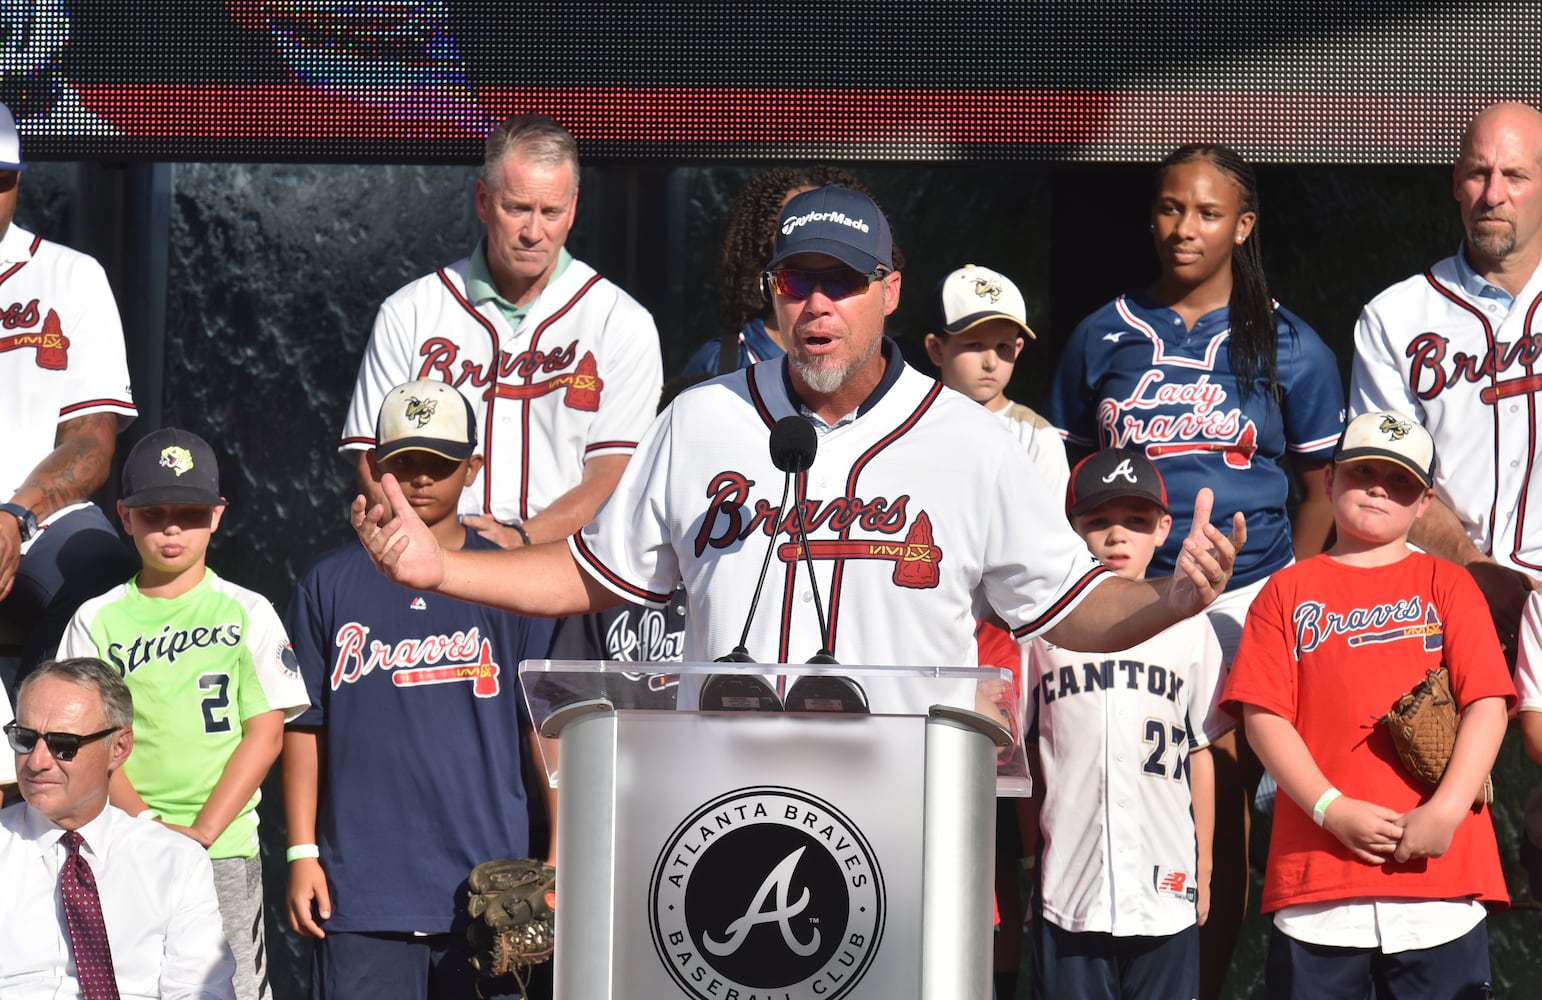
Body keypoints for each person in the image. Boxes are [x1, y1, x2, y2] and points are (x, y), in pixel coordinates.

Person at [353, 184, 1245, 698]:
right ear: (773, 291)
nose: (817, 303)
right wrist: (446, 567)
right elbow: (595, 574)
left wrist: (1170, 600)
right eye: (797, 279)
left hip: (898, 812)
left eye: (842, 281)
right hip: (718, 804)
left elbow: (1069, 604)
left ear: (890, 292)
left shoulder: (974, 445)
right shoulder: (700, 418)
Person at [1046, 143, 1345, 998]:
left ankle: (1203, 984)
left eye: (1209, 213)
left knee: (1218, 783)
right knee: (1113, 774)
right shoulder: (1101, 333)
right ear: (1151, 214)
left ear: (1243, 226)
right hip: (1129, 586)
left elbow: (1322, 487)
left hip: (1245, 592)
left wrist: (1294, 589)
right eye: (1172, 208)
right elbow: (1066, 477)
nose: (1186, 228)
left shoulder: (1291, 345)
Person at [1222, 411, 1512, 1000]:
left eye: (1400, 480)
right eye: (1363, 472)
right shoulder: (1286, 590)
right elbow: (1263, 716)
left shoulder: (1450, 583)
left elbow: (1488, 703)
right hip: (1318, 881)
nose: (1380, 486)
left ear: (1425, 502)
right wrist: (1330, 808)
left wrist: (1446, 811)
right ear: (1327, 481)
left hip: (1441, 879)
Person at [284, 379, 556, 1000]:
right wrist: (301, 850)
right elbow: (303, 723)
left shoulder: (511, 581)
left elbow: (546, 729)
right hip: (361, 893)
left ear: (473, 467)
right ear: (374, 466)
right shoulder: (328, 582)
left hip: (492, 894)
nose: (421, 480)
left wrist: (559, 857)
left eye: (440, 463)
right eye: (404, 464)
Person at [57, 428, 310, 1000]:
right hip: (123, 844)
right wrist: (148, 827)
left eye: (190, 512)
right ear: (124, 516)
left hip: (221, 848)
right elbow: (83, 742)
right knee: (130, 985)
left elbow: (267, 732)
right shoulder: (95, 619)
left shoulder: (250, 610)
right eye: (153, 512)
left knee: (233, 989)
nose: (171, 527)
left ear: (217, 515)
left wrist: (201, 832)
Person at [339, 113, 662, 549]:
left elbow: (615, 473)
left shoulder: (621, 321)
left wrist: (520, 539)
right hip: (433, 558)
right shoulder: (410, 311)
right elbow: (370, 458)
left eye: (551, 211)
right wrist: (427, 550)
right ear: (482, 199)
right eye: (517, 208)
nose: (534, 231)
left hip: (560, 567)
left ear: (573, 209)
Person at [1022, 448, 1232, 1000]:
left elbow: (1203, 749)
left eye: (1136, 521)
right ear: (1071, 529)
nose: (1118, 536)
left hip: (1167, 882)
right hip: (1069, 886)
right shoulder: (1041, 631)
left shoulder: (1189, 623)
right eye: (1098, 521)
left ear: (1164, 528)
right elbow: (1018, 753)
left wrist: (1203, 866)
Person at [1351, 101, 1542, 666]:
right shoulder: (1394, 317)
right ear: (1457, 183)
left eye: (1515, 176)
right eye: (1479, 173)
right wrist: (1472, 567)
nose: (1493, 194)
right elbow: (1387, 478)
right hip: (1439, 595)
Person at [0, 656, 236, 998]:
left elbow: (201, 991)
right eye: (24, 738)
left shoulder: (175, 861)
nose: (37, 761)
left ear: (119, 748)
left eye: (63, 745)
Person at [0, 100, 139, 673]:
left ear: (19, 180)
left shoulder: (69, 275)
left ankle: (39, 743)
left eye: (1, 179)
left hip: (33, 520)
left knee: (99, 570)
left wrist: (13, 516)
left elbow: (91, 444)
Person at [680, 164, 877, 377]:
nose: (810, 234)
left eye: (845, 279)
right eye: (793, 223)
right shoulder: (720, 362)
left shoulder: (888, 361)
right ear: (762, 245)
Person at [926, 262, 1069, 498]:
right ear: (936, 349)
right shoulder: (909, 425)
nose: (991, 362)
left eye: (1003, 346)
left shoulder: (1037, 437)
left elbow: (1045, 533)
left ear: (1018, 349)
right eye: (975, 345)